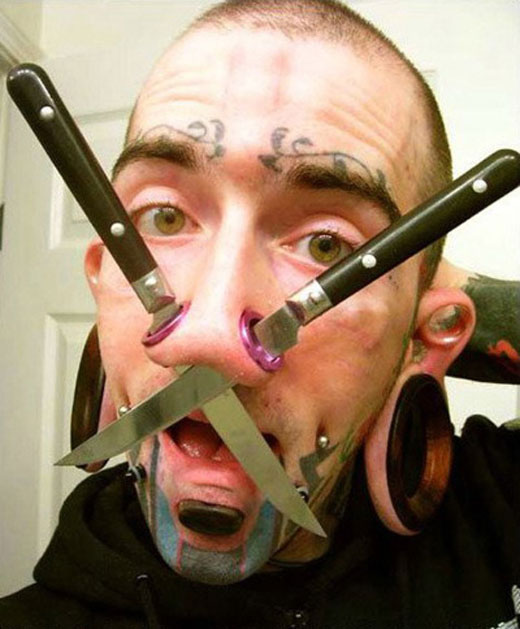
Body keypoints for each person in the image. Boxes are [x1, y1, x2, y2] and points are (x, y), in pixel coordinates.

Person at [1, 0, 519, 627]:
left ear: (419, 337)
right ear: (104, 282)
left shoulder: (502, 517)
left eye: (327, 246)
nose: (208, 337)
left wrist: (421, 303)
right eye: (165, 216)